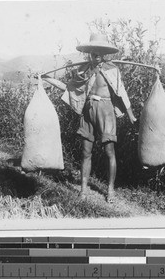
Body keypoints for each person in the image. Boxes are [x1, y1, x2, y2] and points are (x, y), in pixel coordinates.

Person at [41, 33, 136, 203]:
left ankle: (110, 190)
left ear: (104, 54)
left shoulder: (113, 70)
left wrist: (131, 115)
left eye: (98, 53)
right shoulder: (83, 71)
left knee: (109, 151)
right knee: (86, 152)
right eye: (92, 52)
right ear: (89, 53)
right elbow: (69, 89)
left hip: (106, 111)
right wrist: (47, 79)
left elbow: (122, 93)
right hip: (88, 110)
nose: (95, 55)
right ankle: (83, 190)